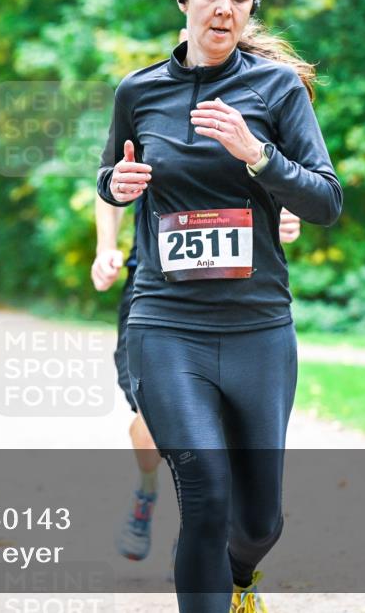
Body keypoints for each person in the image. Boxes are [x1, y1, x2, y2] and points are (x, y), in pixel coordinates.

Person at [95, 0, 342, 611]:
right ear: (183, 0)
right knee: (205, 490)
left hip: (257, 325)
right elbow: (108, 176)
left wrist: (258, 155)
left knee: (259, 521)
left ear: (251, 6)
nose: (225, 8)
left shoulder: (277, 90)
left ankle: (241, 578)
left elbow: (326, 199)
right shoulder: (138, 91)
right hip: (166, 322)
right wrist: (118, 186)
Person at [93, 199, 301, 568]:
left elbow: (297, 181)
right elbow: (111, 181)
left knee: (221, 424)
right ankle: (147, 489)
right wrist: (105, 247)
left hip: (242, 298)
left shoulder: (257, 153)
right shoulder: (147, 152)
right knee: (153, 427)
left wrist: (285, 210)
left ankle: (198, 531)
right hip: (157, 294)